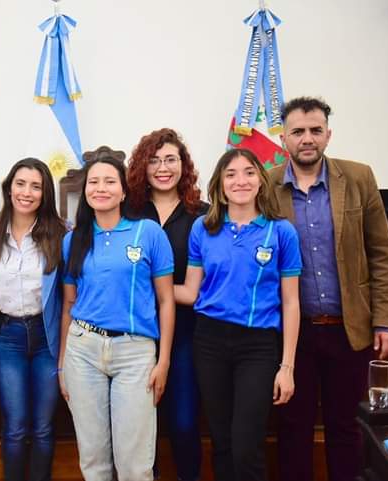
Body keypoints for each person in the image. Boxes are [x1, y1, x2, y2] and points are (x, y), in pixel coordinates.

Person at [271, 96, 388, 481]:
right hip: (293, 333)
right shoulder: (267, 185)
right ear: (284, 139)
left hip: (350, 329)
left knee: (345, 429)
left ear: (328, 135)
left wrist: (386, 321)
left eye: (315, 130)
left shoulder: (358, 178)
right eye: (298, 131)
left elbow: (382, 254)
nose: (307, 138)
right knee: (292, 430)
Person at [174, 148, 302, 481]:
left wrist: (286, 367)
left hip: (257, 347)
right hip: (209, 342)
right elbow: (189, 291)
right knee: (222, 442)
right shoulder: (204, 228)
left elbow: (290, 302)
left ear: (261, 180)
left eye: (248, 172)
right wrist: (142, 287)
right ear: (219, 184)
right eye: (231, 174)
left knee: (247, 445)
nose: (240, 180)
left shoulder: (281, 232)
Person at [59, 146, 175, 481]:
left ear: (124, 190)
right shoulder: (74, 240)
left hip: (135, 353)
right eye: (93, 182)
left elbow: (166, 301)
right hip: (83, 351)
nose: (101, 188)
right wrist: (63, 363)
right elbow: (69, 304)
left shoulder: (149, 233)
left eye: (110, 181)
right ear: (85, 191)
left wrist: (163, 361)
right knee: (93, 461)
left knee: (135, 464)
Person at [127, 128, 208, 481]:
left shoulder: (202, 215)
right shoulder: (129, 213)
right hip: (137, 334)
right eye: (154, 160)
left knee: (185, 422)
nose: (163, 168)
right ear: (142, 168)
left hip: (189, 334)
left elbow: (200, 284)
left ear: (183, 165)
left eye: (170, 159)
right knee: (142, 426)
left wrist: (156, 290)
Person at [0, 158, 67, 481]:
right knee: (15, 426)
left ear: (45, 193)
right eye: (21, 184)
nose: (27, 192)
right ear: (9, 188)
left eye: (36, 186)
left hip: (47, 336)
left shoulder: (60, 233)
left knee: (44, 427)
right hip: (7, 336)